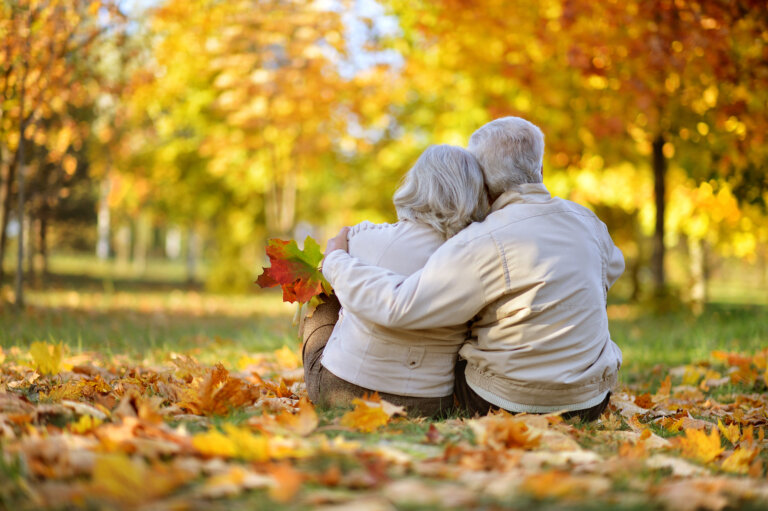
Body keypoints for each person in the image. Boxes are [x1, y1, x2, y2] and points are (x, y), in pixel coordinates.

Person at [322, 117, 624, 421]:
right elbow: (611, 269)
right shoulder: (587, 221)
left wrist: (335, 260)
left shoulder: (479, 240)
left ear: (481, 181)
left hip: (504, 402)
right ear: (540, 170)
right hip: (590, 400)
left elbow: (402, 306)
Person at [301, 144, 489, 417]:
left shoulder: (364, 240)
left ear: (417, 185)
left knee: (325, 285)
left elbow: (345, 253)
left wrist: (336, 255)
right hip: (429, 401)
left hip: (344, 390)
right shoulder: (478, 256)